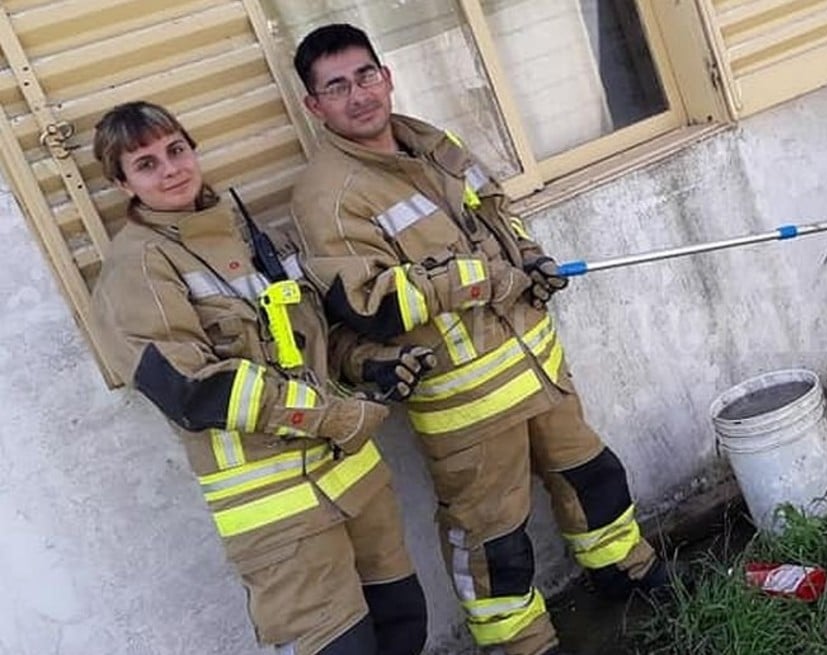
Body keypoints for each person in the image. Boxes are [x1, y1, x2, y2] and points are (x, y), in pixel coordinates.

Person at [287, 23, 681, 655]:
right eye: (336, 87)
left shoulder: (432, 142)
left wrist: (530, 258)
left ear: (385, 76)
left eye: (365, 75)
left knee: (593, 476)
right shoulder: (325, 197)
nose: (358, 95)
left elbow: (495, 213)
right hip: (465, 404)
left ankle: (626, 572)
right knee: (494, 540)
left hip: (537, 367)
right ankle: (522, 644)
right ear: (315, 107)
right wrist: (480, 279)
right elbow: (368, 306)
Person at [89, 100, 433, 655]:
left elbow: (315, 333)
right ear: (122, 183)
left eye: (176, 150)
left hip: (353, 479)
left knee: (404, 624)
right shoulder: (137, 268)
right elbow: (194, 391)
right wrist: (333, 415)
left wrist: (369, 361)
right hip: (280, 515)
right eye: (147, 164)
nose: (171, 169)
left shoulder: (248, 233)